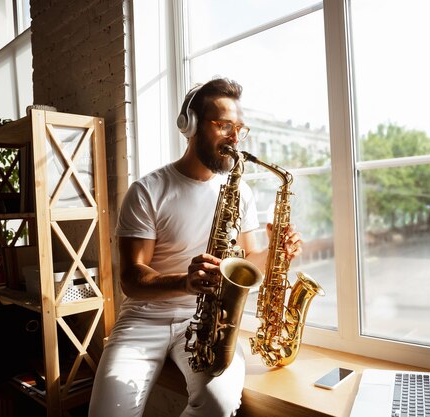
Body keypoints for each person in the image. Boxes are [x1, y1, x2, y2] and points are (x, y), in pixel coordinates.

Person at [89, 77, 303, 417]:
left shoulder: (241, 192)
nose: (235, 139)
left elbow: (247, 263)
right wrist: (183, 282)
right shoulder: (147, 190)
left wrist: (278, 250)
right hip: (144, 320)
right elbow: (130, 280)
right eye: (223, 126)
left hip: (206, 320)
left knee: (218, 404)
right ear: (190, 126)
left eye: (240, 129)